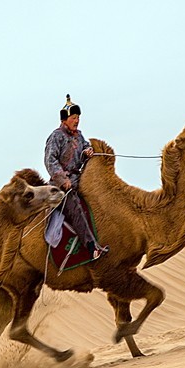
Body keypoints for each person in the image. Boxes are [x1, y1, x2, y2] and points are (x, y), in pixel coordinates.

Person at [44, 95, 107, 259]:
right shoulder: (56, 136)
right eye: (73, 117)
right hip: (60, 186)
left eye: (78, 117)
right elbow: (50, 161)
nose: (77, 120)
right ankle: (92, 248)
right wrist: (62, 180)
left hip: (78, 180)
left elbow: (86, 147)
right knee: (75, 207)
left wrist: (87, 152)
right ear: (64, 120)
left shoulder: (79, 136)